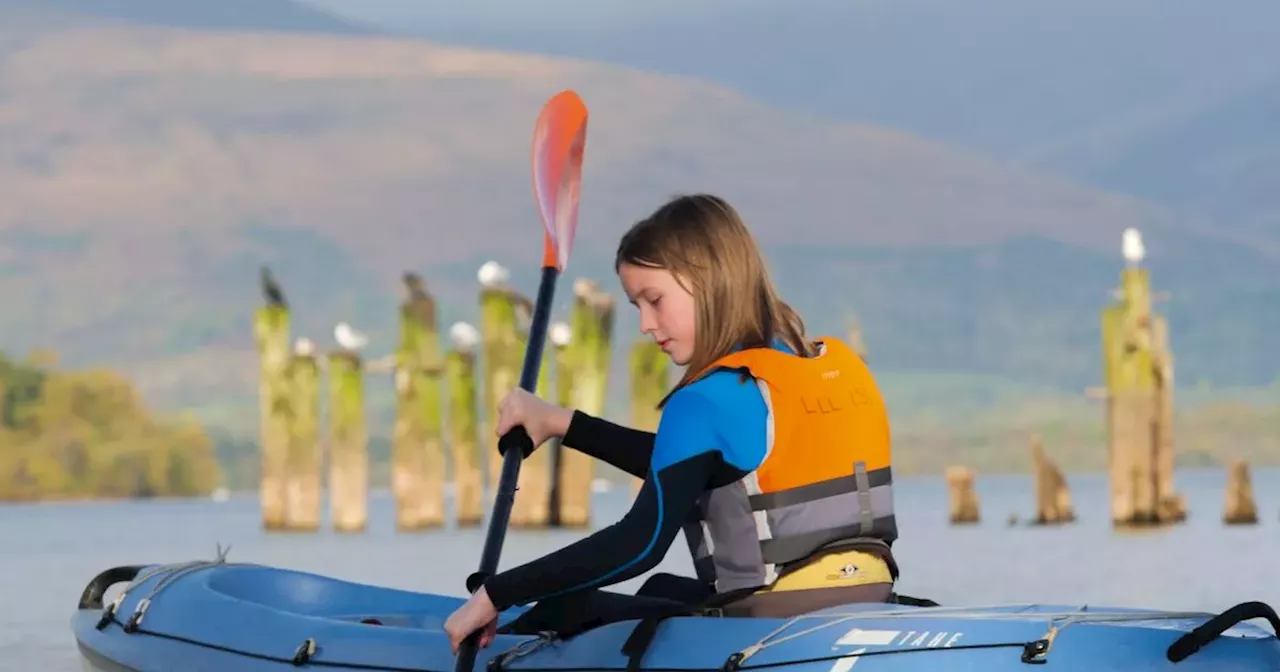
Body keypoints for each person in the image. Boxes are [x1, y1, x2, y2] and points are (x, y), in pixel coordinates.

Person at [443, 193, 899, 654]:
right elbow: (699, 473)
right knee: (665, 588)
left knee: (566, 609)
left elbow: (638, 544)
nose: (644, 323)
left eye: (654, 300)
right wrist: (563, 423)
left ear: (708, 280)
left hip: (766, 630)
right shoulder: (820, 368)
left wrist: (496, 594)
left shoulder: (706, 399)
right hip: (869, 601)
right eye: (636, 305)